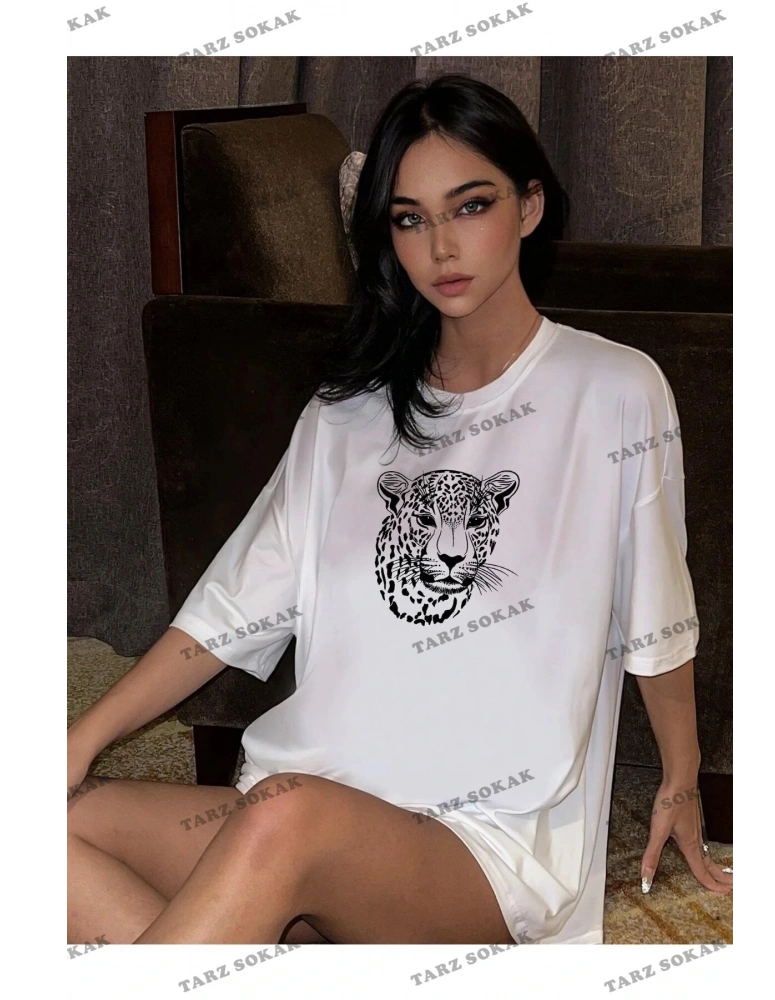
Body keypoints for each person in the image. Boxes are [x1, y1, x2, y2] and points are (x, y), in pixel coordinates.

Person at [65, 73, 733, 947]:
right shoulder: (346, 416)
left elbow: (657, 614)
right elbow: (231, 611)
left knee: (284, 816)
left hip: (485, 846)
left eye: (471, 206)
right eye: (410, 219)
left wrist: (681, 778)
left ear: (530, 207)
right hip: (300, 810)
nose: (441, 247)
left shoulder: (614, 390)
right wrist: (79, 741)